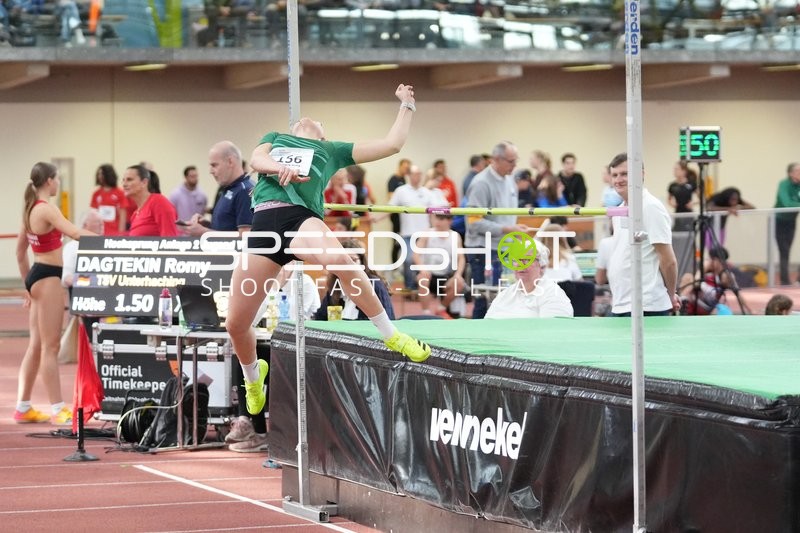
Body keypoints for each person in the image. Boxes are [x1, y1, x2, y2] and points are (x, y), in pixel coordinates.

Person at [225, 84, 432, 419]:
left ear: (323, 134)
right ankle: (253, 378)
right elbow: (257, 159)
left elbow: (392, 144)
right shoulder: (275, 137)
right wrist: (278, 168)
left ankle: (392, 335)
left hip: (300, 219)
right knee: (235, 323)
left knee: (342, 261)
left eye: (318, 121)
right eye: (302, 120)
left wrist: (407, 105)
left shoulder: (331, 150)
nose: (308, 118)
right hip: (264, 222)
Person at [14, 162, 96, 425]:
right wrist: (108, 242)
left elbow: (19, 253)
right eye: (57, 179)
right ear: (49, 181)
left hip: (38, 274)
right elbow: (74, 232)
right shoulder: (46, 209)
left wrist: (28, 286)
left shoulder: (29, 209)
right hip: (48, 276)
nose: (58, 183)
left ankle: (23, 407)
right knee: (51, 346)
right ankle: (58, 408)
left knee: (36, 345)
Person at [605, 153, 680, 316]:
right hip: (621, 303)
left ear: (641, 175)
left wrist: (670, 294)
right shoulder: (619, 210)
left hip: (646, 305)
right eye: (615, 175)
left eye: (624, 174)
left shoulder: (650, 207)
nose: (618, 180)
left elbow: (668, 260)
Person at [465, 141, 533, 319]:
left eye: (516, 160)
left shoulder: (510, 180)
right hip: (483, 249)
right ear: (496, 159)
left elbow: (508, 215)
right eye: (511, 161)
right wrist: (507, 229)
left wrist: (514, 232)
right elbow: (473, 222)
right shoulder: (481, 183)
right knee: (483, 300)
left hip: (504, 247)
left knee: (502, 299)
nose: (515, 165)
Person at [485, 244, 573, 319]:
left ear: (542, 266)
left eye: (527, 259)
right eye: (516, 260)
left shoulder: (553, 295)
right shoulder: (505, 294)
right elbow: (487, 324)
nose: (520, 264)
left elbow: (553, 330)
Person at [314, 239, 394, 321]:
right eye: (342, 262)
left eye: (353, 260)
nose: (348, 265)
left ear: (361, 262)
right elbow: (320, 318)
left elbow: (387, 320)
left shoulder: (374, 284)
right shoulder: (336, 285)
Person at [186, 141, 254, 237]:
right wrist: (207, 225)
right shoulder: (229, 188)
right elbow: (229, 227)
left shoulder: (245, 191)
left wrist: (204, 232)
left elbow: (246, 237)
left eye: (214, 165)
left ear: (230, 162)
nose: (211, 171)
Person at [414, 214, 466, 318]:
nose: (438, 222)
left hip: (445, 276)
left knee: (459, 283)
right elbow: (415, 255)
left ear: (449, 221)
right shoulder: (427, 233)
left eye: (441, 219)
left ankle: (441, 308)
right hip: (429, 275)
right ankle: (426, 313)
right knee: (422, 279)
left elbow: (461, 258)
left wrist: (458, 275)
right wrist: (422, 269)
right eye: (437, 218)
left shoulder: (455, 236)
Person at [123, 165, 179, 237]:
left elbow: (170, 239)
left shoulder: (159, 202)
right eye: (123, 180)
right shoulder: (135, 214)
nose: (124, 184)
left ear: (144, 182)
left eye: (129, 179)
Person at [678, 246, 733, 315]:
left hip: (705, 308)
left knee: (691, 279)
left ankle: (680, 301)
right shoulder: (707, 273)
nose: (709, 262)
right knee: (687, 276)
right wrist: (703, 269)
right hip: (693, 304)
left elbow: (696, 283)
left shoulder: (724, 275)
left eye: (711, 259)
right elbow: (696, 283)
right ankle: (681, 301)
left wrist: (703, 268)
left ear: (718, 261)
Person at [774, 162, 800, 285]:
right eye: (798, 171)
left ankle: (796, 279)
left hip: (792, 221)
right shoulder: (784, 184)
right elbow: (786, 203)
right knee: (784, 250)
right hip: (779, 221)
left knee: (788, 249)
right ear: (791, 173)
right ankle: (785, 281)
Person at [90, 163, 127, 236]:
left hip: (114, 232)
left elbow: (123, 215)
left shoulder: (120, 193)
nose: (100, 176)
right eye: (99, 174)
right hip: (99, 232)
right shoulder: (96, 194)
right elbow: (93, 214)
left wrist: (121, 233)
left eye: (102, 174)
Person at [387, 158, 410, 267]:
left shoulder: (404, 180)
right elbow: (391, 197)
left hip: (404, 217)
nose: (406, 170)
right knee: (397, 242)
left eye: (408, 168)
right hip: (396, 217)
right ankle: (394, 268)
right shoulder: (393, 180)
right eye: (405, 167)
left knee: (404, 242)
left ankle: (402, 267)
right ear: (400, 166)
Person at [667, 160, 698, 232]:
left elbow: (702, 198)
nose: (675, 171)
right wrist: (672, 203)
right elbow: (669, 199)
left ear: (684, 171)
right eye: (674, 169)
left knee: (688, 233)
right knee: (677, 233)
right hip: (678, 214)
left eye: (677, 169)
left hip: (688, 214)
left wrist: (693, 203)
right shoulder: (672, 185)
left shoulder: (691, 184)